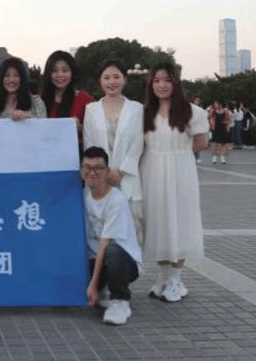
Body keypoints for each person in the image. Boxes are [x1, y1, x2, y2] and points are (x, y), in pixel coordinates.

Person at [140, 63, 208, 303]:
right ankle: (163, 276)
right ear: (151, 84)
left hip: (181, 172)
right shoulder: (144, 113)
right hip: (151, 171)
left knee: (180, 223)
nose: (162, 85)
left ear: (176, 83)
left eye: (167, 80)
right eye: (157, 80)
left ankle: (176, 279)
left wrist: (177, 153)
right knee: (157, 223)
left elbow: (201, 142)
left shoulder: (191, 112)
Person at [83, 59, 144, 245]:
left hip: (128, 178)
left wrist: (121, 171)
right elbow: (89, 144)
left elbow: (138, 142)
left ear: (125, 79)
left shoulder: (136, 109)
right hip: (100, 179)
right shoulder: (91, 110)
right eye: (107, 77)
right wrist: (103, 172)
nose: (112, 82)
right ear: (100, 81)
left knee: (131, 232)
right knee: (102, 233)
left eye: (116, 77)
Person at [81, 146, 142, 326]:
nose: (92, 172)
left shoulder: (116, 200)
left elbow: (104, 244)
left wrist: (92, 285)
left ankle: (120, 301)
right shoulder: (82, 196)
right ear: (81, 170)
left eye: (98, 168)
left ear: (107, 171)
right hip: (96, 261)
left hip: (123, 262)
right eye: (87, 167)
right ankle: (103, 289)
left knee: (112, 251)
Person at [40, 50, 94, 143]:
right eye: (54, 71)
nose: (60, 75)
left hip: (76, 151)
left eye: (65, 70)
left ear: (72, 72)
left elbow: (97, 131)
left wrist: (79, 127)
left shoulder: (85, 99)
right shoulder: (40, 101)